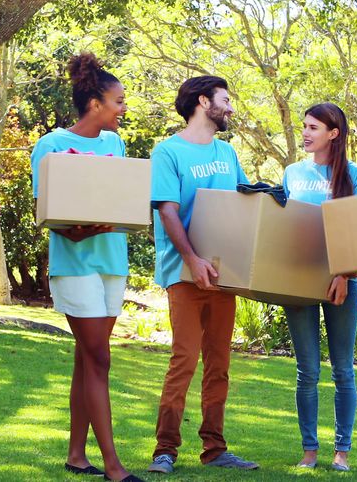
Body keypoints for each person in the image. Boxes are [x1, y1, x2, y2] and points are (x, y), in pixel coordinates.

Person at [30, 53, 143, 482]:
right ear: (95, 103)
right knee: (99, 358)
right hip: (74, 262)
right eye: (118, 101)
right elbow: (47, 209)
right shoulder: (51, 145)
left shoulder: (115, 145)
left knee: (87, 358)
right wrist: (71, 228)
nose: (123, 108)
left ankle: (77, 455)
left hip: (111, 259)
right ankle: (113, 466)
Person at [147, 76, 260, 475]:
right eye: (225, 100)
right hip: (184, 272)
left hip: (223, 275)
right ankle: (165, 450)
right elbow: (167, 210)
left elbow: (244, 203)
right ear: (202, 101)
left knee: (219, 363)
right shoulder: (168, 152)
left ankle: (215, 448)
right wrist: (193, 260)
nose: (230, 108)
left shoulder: (227, 154)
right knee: (184, 359)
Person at [281, 103, 357, 472]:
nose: (305, 133)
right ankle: (309, 451)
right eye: (304, 126)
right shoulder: (291, 173)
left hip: (342, 281)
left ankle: (342, 453)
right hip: (299, 278)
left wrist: (344, 276)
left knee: (343, 370)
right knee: (307, 371)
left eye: (313, 127)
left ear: (333, 133)